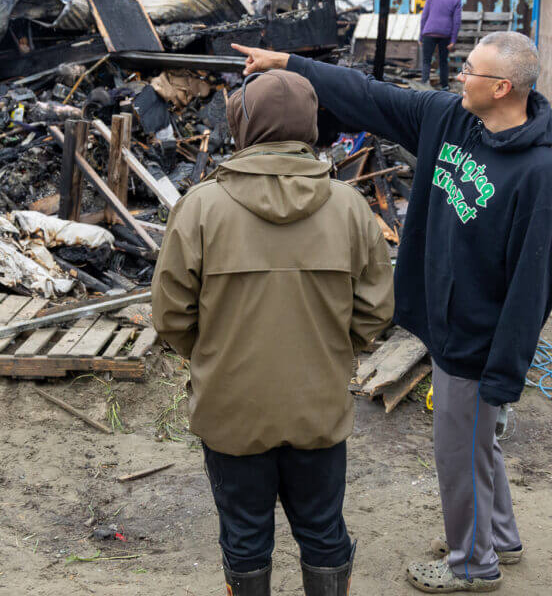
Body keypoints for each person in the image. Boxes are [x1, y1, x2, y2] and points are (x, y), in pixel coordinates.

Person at [234, 32, 552, 593]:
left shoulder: (538, 176)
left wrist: (504, 374)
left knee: (459, 449)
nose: (458, 77)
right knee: (474, 441)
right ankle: (501, 540)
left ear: (502, 87)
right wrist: (290, 62)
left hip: (478, 339)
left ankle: (473, 565)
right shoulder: (452, 120)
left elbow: (534, 286)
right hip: (444, 321)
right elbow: (371, 95)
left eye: (470, 71)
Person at [152, 70, 395, 596]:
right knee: (324, 533)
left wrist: (217, 353)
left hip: (231, 409)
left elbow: (170, 316)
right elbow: (375, 312)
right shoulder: (351, 208)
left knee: (244, 538)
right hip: (318, 407)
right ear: (309, 125)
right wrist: (329, 352)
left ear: (244, 124)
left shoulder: (201, 208)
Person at [419, 0, 462, 89]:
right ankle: (445, 85)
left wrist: (420, 37)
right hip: (445, 34)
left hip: (429, 32)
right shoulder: (456, 0)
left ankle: (424, 83)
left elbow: (424, 17)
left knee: (426, 60)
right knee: (443, 61)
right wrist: (453, 40)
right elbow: (456, 22)